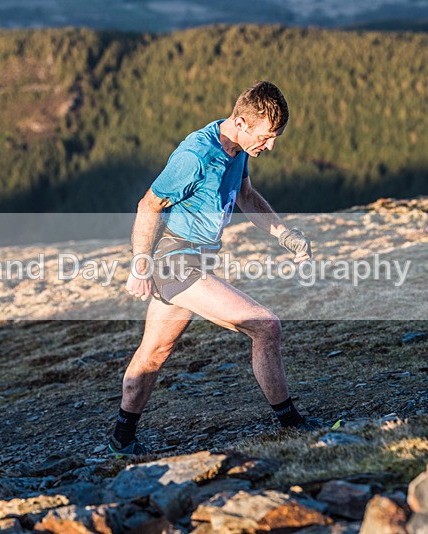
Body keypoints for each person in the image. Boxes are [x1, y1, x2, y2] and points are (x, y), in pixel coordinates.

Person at [108, 81, 322, 457]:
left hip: (195, 260)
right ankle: (293, 426)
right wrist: (140, 265)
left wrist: (285, 234)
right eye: (267, 137)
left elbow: (246, 196)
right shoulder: (196, 155)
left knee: (154, 353)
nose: (270, 146)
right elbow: (149, 204)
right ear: (241, 121)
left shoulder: (236, 147)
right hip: (177, 262)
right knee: (265, 326)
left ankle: (120, 440)